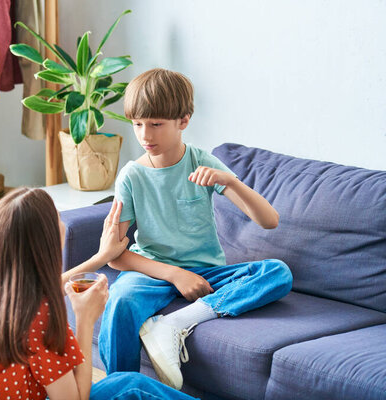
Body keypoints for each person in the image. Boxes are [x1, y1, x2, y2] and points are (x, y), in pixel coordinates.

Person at [91, 68, 293, 390]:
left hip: (206, 271)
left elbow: (270, 220)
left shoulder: (202, 161)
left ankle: (174, 324)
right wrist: (174, 274)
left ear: (183, 121)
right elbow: (116, 257)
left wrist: (229, 180)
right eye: (137, 124)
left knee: (277, 273)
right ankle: (122, 389)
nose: (145, 135)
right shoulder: (132, 176)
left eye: (156, 124)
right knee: (121, 301)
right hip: (152, 272)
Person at [0, 187, 199, 400]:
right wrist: (84, 318)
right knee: (130, 387)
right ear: (46, 242)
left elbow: (40, 290)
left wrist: (99, 258)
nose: (64, 223)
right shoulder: (37, 319)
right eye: (57, 218)